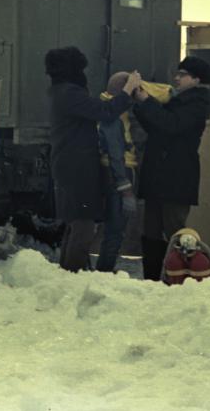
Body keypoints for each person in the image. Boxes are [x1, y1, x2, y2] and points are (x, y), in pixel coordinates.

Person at [46, 47, 141, 272]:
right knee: (83, 224)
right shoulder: (69, 93)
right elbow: (106, 111)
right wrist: (128, 90)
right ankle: (72, 276)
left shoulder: (59, 91)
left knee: (74, 222)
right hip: (76, 166)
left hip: (68, 164)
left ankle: (65, 273)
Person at [132, 56, 210, 281]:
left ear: (196, 80)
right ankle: (153, 278)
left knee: (174, 230)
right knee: (151, 231)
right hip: (161, 176)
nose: (176, 78)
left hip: (177, 176)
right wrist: (141, 105)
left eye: (182, 74)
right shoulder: (178, 101)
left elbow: (171, 125)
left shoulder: (196, 105)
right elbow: (158, 126)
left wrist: (147, 102)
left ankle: (179, 277)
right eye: (177, 74)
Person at [95, 72, 139, 273]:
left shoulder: (108, 109)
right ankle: (104, 270)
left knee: (113, 228)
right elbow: (115, 153)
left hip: (110, 173)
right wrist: (126, 187)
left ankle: (104, 268)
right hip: (118, 174)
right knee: (115, 228)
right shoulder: (115, 117)